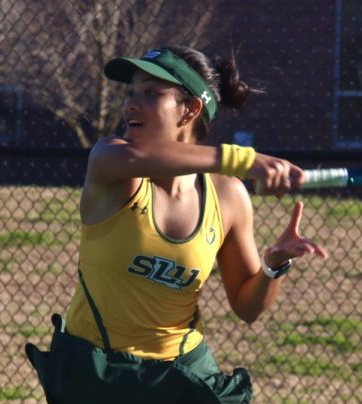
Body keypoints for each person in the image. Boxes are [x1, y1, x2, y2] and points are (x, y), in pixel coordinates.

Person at [25, 45, 328, 404]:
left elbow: (247, 308)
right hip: (97, 370)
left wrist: (274, 266)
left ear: (191, 109)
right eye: (131, 92)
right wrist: (242, 159)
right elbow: (141, 158)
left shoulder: (228, 196)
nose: (130, 104)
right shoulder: (112, 162)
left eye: (151, 93)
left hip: (182, 373)